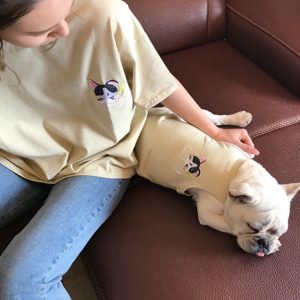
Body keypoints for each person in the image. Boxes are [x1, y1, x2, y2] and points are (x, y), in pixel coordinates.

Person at [0, 0, 259, 298]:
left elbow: (159, 80)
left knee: (22, 281)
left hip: (101, 160)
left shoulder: (106, 14)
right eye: (42, 31)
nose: (64, 28)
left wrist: (213, 130)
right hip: (18, 156)